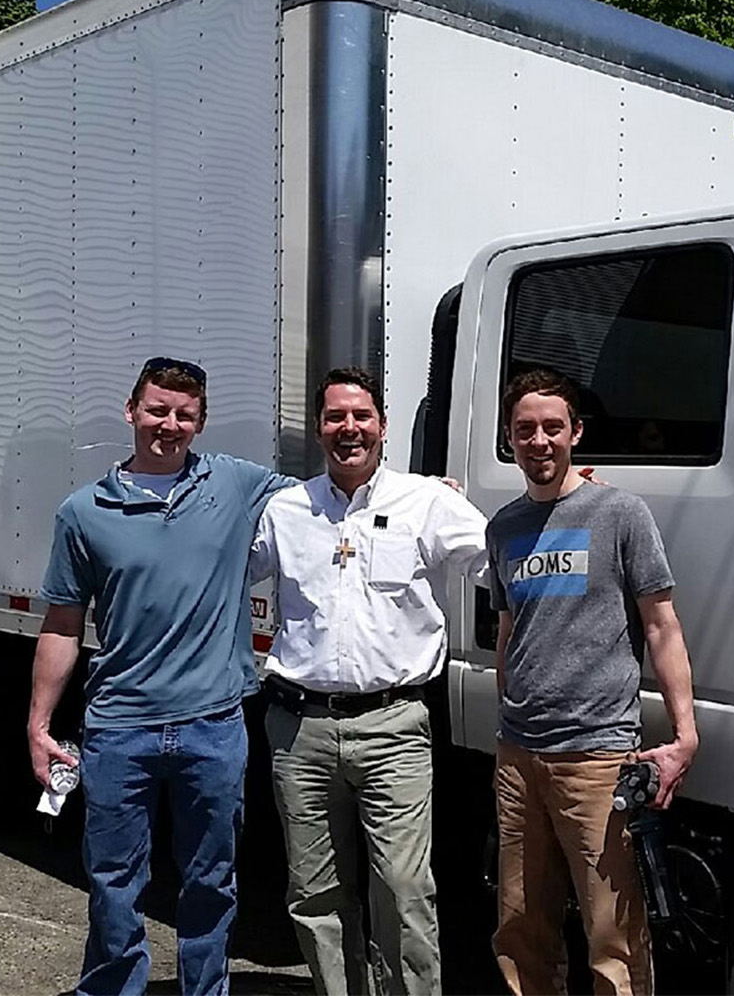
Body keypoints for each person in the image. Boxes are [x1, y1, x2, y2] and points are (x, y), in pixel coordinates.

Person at [27, 357, 295, 996]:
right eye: (157, 410)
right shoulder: (84, 511)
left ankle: (206, 990)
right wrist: (39, 724)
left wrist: (424, 492)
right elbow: (63, 625)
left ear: (200, 423)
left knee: (212, 879)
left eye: (184, 415)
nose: (168, 425)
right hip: (120, 727)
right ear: (131, 411)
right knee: (115, 880)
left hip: (215, 725)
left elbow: (332, 495)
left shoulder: (235, 484)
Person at [249, 366, 489, 995]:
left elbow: (503, 557)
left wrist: (574, 501)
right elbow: (216, 570)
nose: (348, 429)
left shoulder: (427, 501)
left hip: (395, 724)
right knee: (314, 892)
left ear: (383, 425)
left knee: (405, 890)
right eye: (334, 417)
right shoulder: (286, 510)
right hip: (298, 728)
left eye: (360, 416)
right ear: (319, 428)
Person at [486, 368, 699, 996]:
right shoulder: (503, 527)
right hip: (519, 754)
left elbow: (662, 626)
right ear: (511, 438)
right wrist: (509, 714)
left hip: (598, 756)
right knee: (521, 929)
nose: (540, 440)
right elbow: (509, 629)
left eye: (554, 427)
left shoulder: (619, 512)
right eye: (526, 429)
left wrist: (685, 735)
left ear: (576, 432)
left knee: (614, 937)